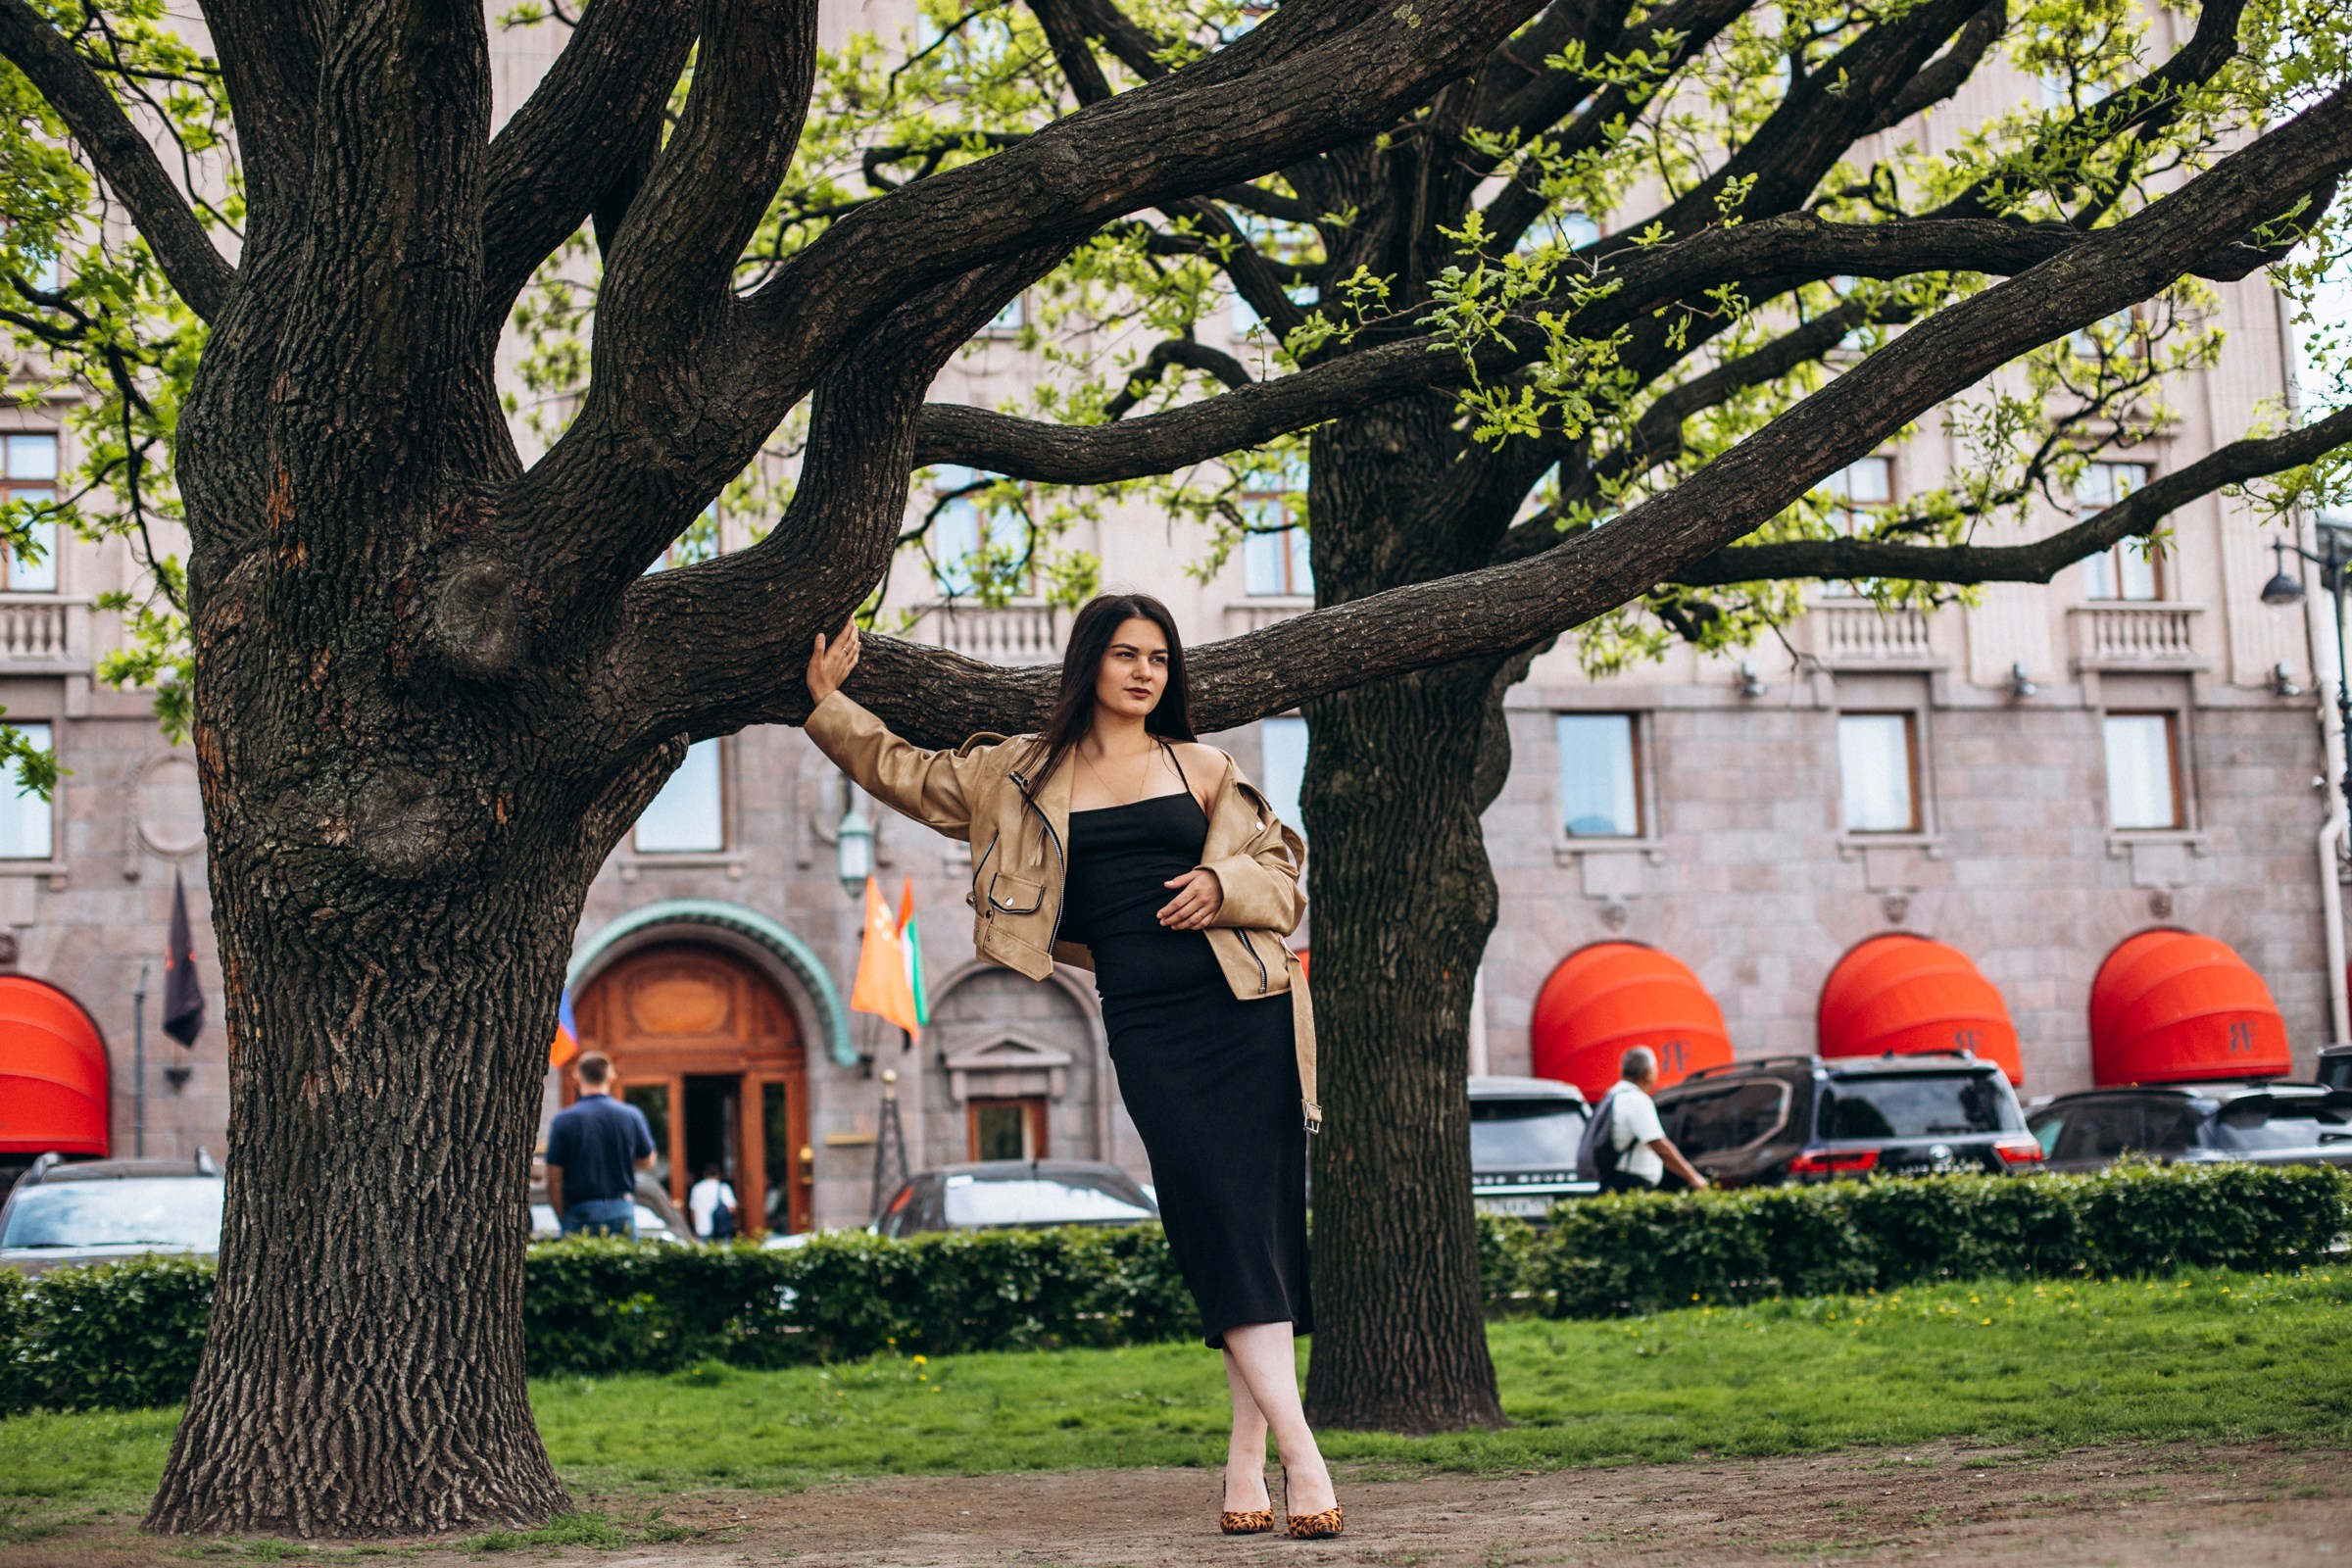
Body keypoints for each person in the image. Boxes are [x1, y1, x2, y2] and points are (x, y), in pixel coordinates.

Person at [803, 594, 1341, 1540]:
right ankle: (1304, 1452)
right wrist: (828, 703)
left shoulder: (1206, 766)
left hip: (1246, 1012)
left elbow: (1284, 882)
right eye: (1127, 655)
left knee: (1252, 1231)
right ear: (1089, 662)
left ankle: (1258, 1460)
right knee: (1214, 1221)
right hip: (1149, 1024)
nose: (1144, 673)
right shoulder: (1021, 773)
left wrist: (1224, 884)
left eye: (1161, 660)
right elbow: (906, 774)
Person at [544, 1053, 657, 1238]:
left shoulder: (564, 1120)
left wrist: (562, 1216)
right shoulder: (631, 1115)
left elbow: (554, 1177)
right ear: (611, 1076)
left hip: (579, 1208)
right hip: (621, 1207)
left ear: (577, 1077)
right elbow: (648, 1161)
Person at [1585, 1047, 1710, 1194]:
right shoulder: (1636, 1099)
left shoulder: (1613, 1095)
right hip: (1630, 1184)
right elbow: (1659, 1145)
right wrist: (1693, 1177)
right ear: (1647, 1073)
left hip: (1614, 1179)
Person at [689, 1162, 738, 1243]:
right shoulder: (723, 1188)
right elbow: (731, 1208)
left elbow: (693, 1211)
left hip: (702, 1227)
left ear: (705, 1174)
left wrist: (695, 1227)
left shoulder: (697, 1188)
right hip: (721, 1229)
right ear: (719, 1175)